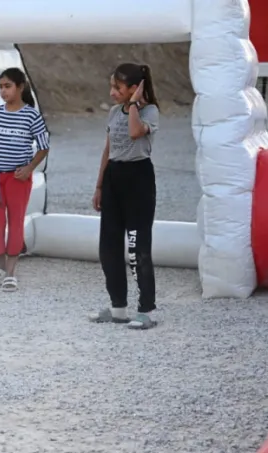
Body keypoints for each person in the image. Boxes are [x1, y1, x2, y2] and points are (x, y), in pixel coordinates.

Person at [90, 63, 160, 330]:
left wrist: (133, 104)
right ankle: (118, 307)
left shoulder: (150, 111)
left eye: (117, 88)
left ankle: (147, 310)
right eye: (112, 86)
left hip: (138, 179)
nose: (112, 93)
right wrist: (99, 186)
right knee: (108, 247)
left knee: (136, 247)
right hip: (113, 179)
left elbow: (134, 133)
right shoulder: (112, 113)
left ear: (134, 89)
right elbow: (108, 149)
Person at [0, 67, 49, 292]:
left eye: (7, 86)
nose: (3, 91)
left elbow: (44, 147)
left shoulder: (31, 115)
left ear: (20, 87)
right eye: (0, 87)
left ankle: (11, 272)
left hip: (17, 179)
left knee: (15, 222)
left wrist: (29, 168)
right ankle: (0, 265)